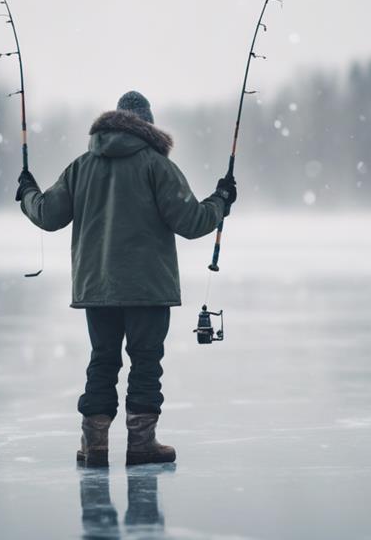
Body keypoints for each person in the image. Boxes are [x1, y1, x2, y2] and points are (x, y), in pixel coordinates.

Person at [16, 91, 237, 467]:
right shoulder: (158, 167)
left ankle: (94, 445)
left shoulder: (81, 166)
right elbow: (192, 223)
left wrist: (26, 192)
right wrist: (221, 200)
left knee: (102, 359)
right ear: (148, 126)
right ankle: (141, 444)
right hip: (148, 290)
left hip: (97, 287)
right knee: (146, 362)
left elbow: (48, 215)